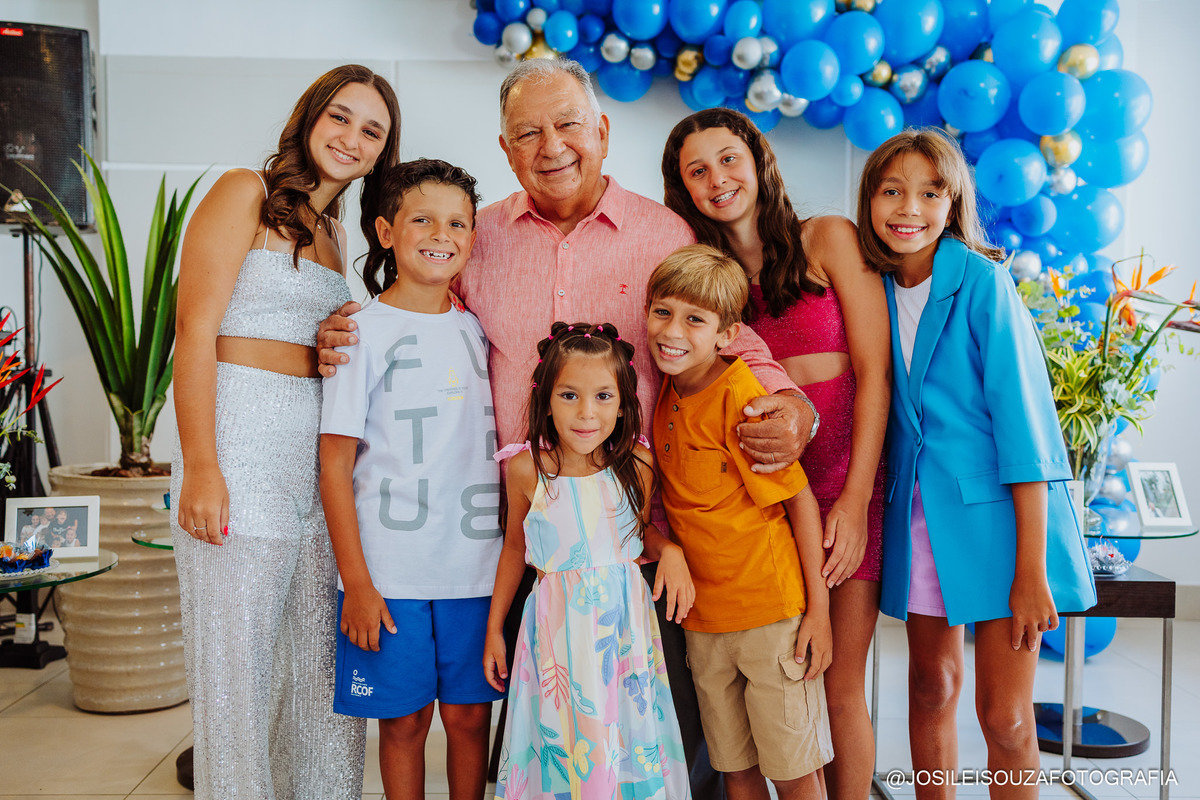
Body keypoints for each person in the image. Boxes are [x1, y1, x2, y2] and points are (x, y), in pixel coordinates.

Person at [316, 58, 816, 799]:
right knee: (542, 734)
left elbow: (724, 333)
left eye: (568, 124)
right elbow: (420, 305)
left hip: (635, 531)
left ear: (602, 131)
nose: (551, 146)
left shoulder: (662, 232)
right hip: (521, 531)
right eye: (528, 133)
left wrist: (792, 404)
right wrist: (347, 325)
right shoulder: (478, 235)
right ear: (505, 148)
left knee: (655, 736)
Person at [171, 64, 401, 800]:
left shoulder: (337, 235)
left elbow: (314, 349)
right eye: (341, 117)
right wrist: (203, 466)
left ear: (381, 152)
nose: (352, 138)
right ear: (310, 118)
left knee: (314, 668)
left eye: (372, 131)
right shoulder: (244, 191)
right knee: (237, 671)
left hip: (313, 459)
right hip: (238, 443)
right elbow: (194, 330)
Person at [856, 129, 1096, 798]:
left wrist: (1031, 571)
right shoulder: (871, 287)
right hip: (920, 522)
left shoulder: (984, 283)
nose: (910, 208)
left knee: (1006, 716)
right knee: (929, 687)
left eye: (930, 193)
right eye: (892, 191)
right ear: (869, 200)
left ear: (953, 202)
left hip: (1003, 530)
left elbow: (1027, 436)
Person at [662, 108, 889, 800]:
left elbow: (876, 373)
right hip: (758, 508)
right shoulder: (708, 281)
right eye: (697, 171)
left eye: (728, 159)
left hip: (842, 487)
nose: (717, 179)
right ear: (683, 189)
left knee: (837, 682)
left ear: (758, 160)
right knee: (773, 694)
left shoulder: (827, 238)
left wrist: (856, 501)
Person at [319, 159, 503, 800]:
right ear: (385, 231)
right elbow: (334, 464)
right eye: (422, 219)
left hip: (477, 570)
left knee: (470, 719)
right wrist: (357, 583)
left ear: (473, 236)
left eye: (457, 223)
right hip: (389, 572)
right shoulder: (359, 334)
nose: (441, 234)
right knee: (403, 724)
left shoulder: (480, 328)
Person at [646, 245, 832, 800]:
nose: (672, 331)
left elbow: (799, 502)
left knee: (793, 771)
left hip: (770, 618)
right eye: (662, 312)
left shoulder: (742, 397)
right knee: (734, 769)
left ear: (727, 335)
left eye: (694, 320)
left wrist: (818, 611)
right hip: (704, 623)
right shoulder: (666, 390)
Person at [483, 321, 695, 798]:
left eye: (603, 397)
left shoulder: (636, 464)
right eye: (569, 396)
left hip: (622, 635)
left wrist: (670, 550)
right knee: (566, 744)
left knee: (623, 741)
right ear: (545, 400)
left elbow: (639, 532)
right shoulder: (526, 469)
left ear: (622, 405)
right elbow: (515, 548)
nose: (586, 413)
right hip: (557, 634)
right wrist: (495, 629)